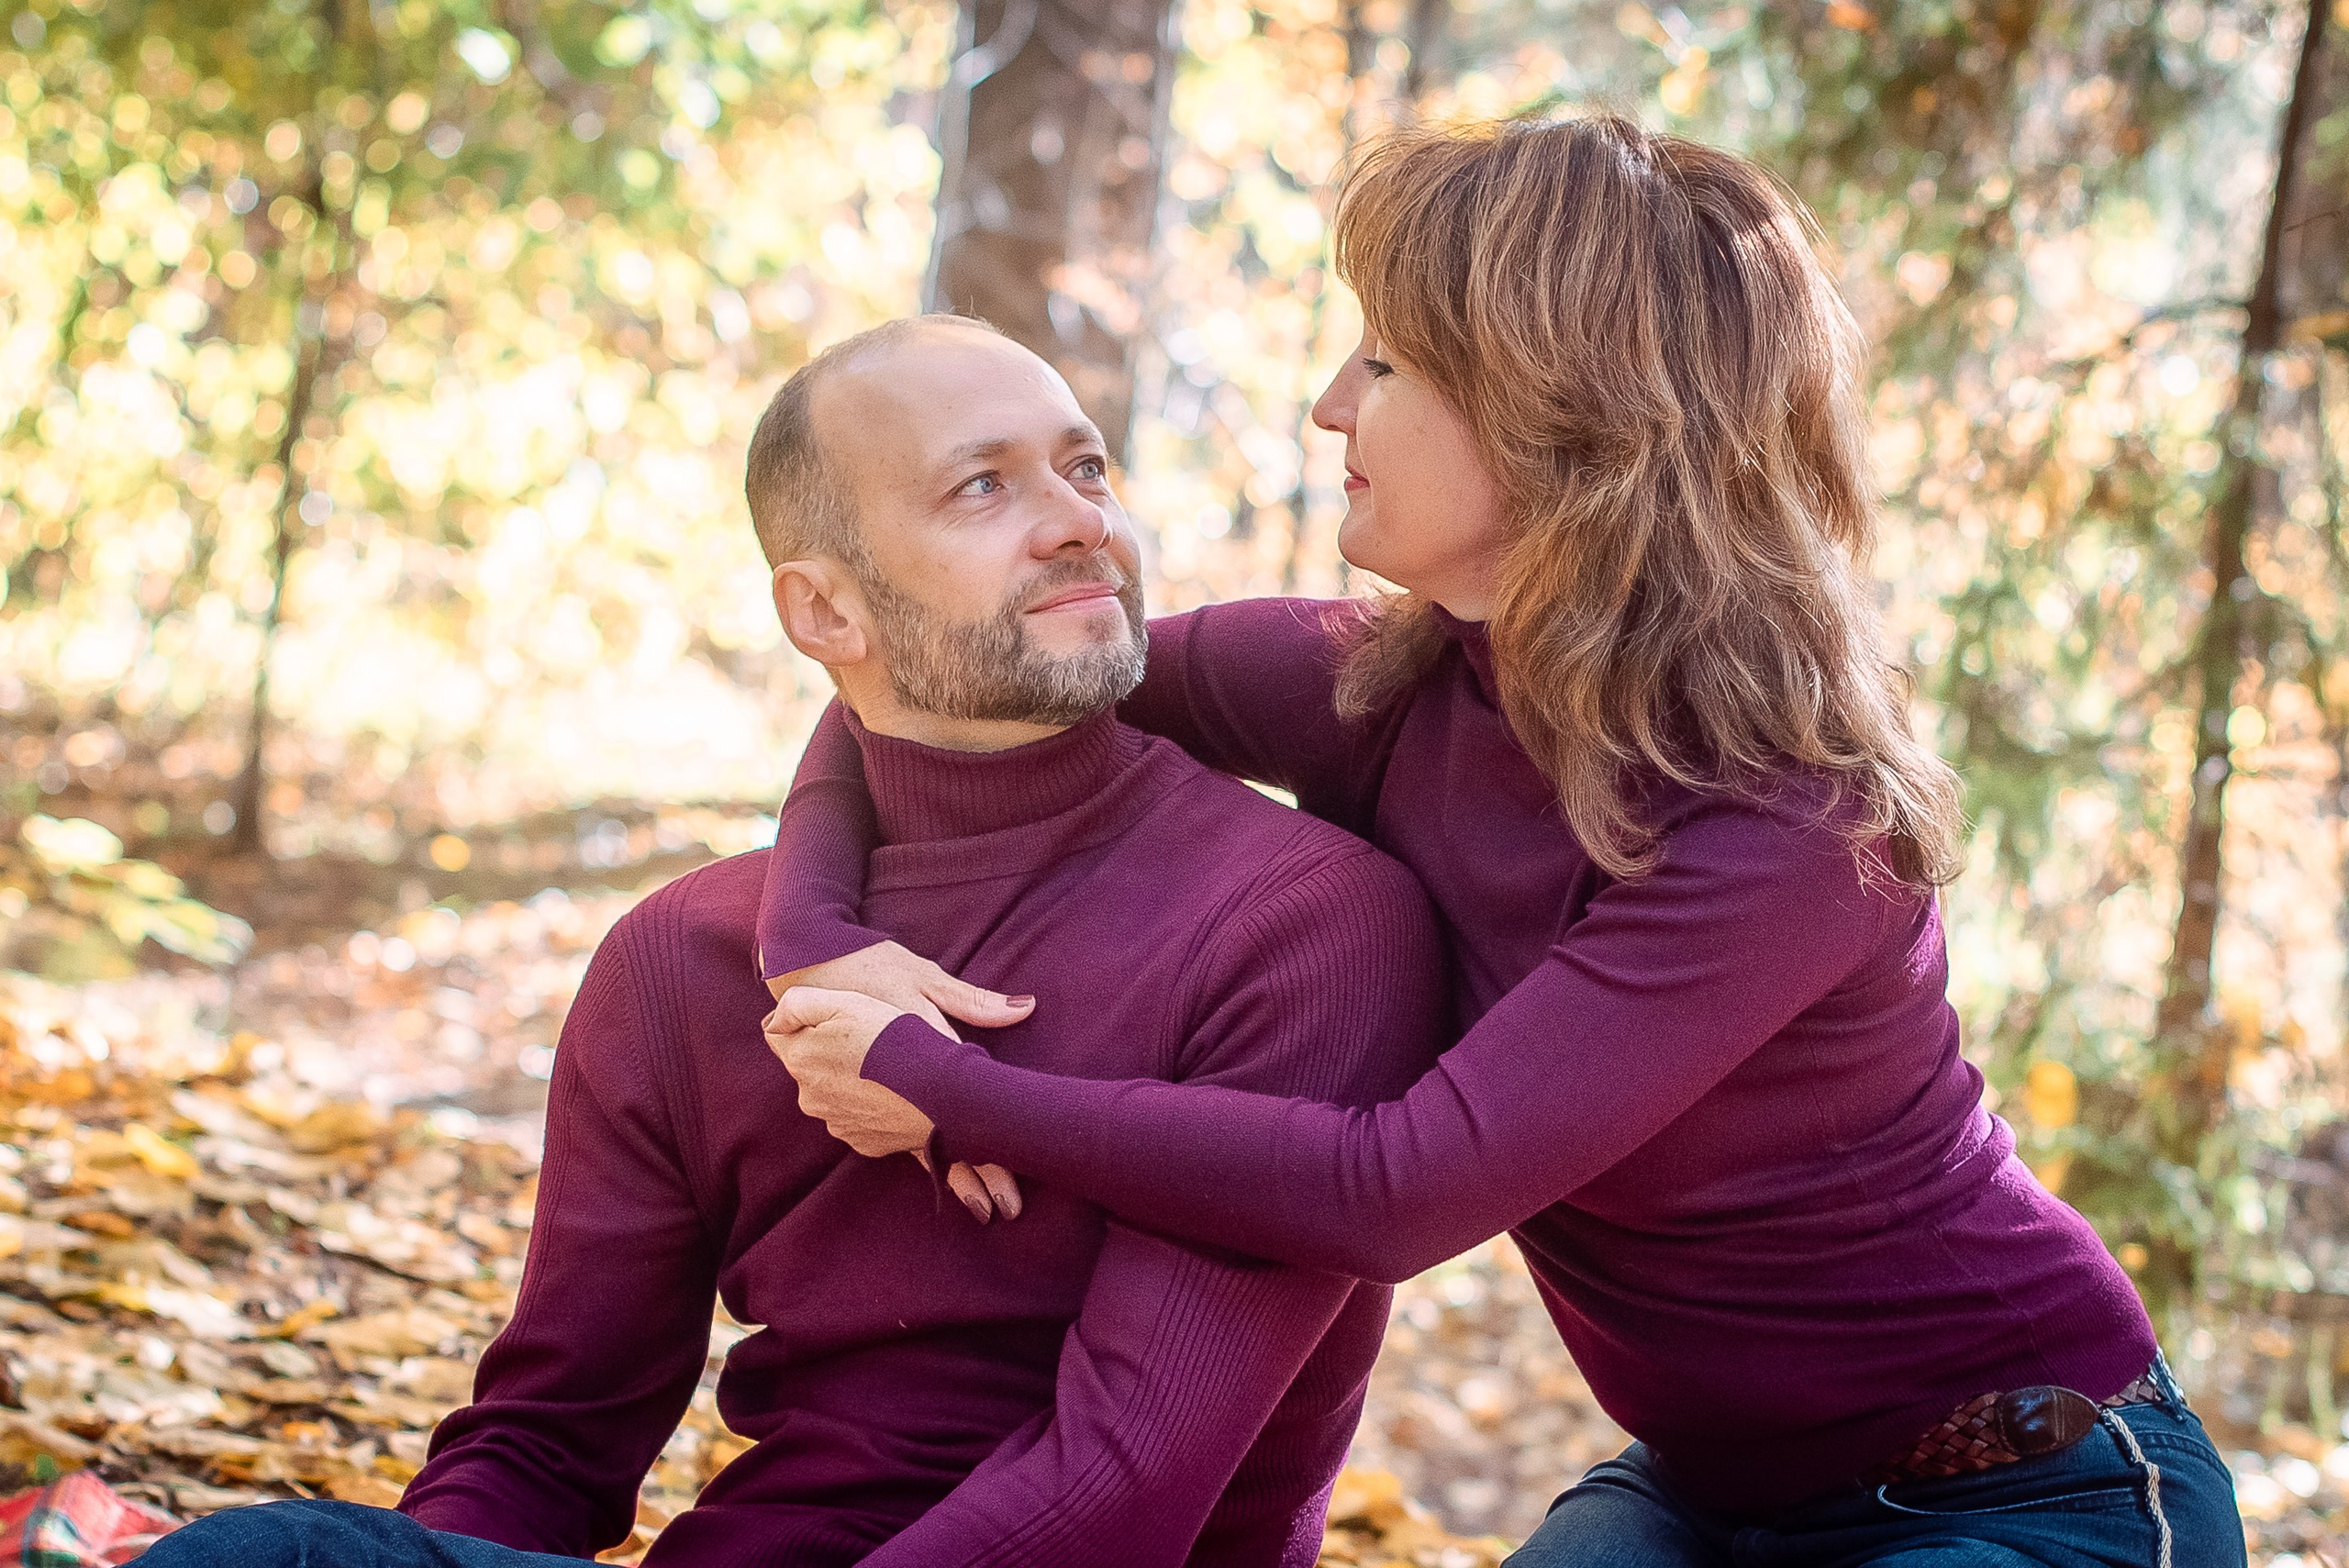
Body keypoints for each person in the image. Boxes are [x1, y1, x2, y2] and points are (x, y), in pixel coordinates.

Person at [757, 117, 2246, 1566]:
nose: (1331, 403)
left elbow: (1394, 1190)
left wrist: (947, 1083)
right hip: (1704, 1492)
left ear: (1559, 419)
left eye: (1388, 362)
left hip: (2033, 1491)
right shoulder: (1393, 682)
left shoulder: (1788, 821)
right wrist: (823, 948)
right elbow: (960, 661)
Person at [141, 316, 1448, 1568]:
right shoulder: (686, 960)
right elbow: (546, 1446)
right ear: (826, 613)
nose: (1079, 521)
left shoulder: (1308, 922)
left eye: (1085, 464)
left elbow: (1122, 1489)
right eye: (983, 487)